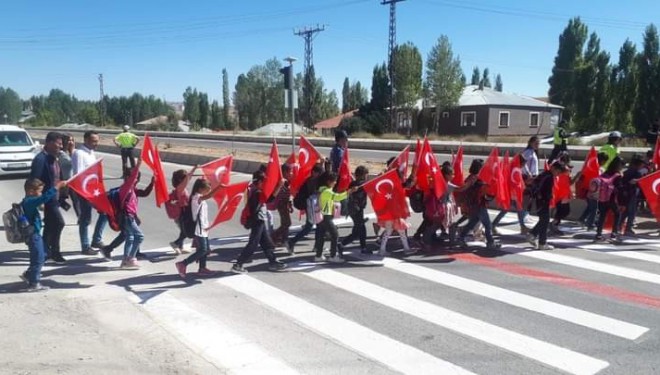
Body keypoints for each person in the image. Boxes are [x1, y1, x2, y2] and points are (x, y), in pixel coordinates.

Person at [231, 171, 287, 274]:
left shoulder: (252, 188)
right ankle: (238, 265)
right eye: (264, 181)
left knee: (266, 243)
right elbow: (269, 199)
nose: (266, 183)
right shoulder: (257, 192)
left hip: (259, 220)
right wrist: (279, 186)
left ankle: (273, 262)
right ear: (260, 181)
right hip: (257, 221)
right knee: (253, 244)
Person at [20, 178, 67, 292]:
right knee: (38, 258)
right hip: (33, 236)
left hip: (35, 235)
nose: (40, 193)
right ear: (31, 191)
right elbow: (44, 198)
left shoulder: (27, 200)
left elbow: (40, 201)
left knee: (45, 253)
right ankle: (34, 283)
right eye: (39, 191)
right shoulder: (29, 201)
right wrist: (56, 187)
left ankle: (29, 274)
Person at [175, 178, 226, 278]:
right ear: (200, 189)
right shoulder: (196, 198)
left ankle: (202, 268)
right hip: (199, 229)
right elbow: (209, 196)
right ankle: (183, 264)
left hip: (204, 228)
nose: (209, 190)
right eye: (207, 188)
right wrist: (219, 188)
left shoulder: (200, 197)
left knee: (205, 249)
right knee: (203, 249)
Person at [29, 131, 66, 263]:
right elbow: (34, 181)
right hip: (46, 199)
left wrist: (62, 195)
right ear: (49, 143)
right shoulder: (40, 159)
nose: (61, 146)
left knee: (50, 225)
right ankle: (55, 252)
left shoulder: (53, 157)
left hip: (54, 198)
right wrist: (38, 201)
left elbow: (58, 176)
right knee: (59, 223)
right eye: (58, 144)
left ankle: (44, 252)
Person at [456, 159, 501, 251]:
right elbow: (481, 191)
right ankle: (490, 242)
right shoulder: (477, 179)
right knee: (488, 225)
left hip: (472, 205)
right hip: (479, 205)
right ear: (479, 168)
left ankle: (461, 238)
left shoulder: (470, 177)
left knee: (472, 223)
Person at [313, 171, 357, 263]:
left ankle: (318, 256)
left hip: (321, 217)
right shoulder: (327, 191)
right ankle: (333, 256)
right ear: (329, 181)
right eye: (334, 181)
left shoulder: (322, 190)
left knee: (321, 236)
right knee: (335, 235)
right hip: (326, 217)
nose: (335, 182)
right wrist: (349, 192)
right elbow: (338, 197)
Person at [71, 130, 102, 255]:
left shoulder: (91, 153)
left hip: (94, 190)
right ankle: (85, 246)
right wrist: (85, 194)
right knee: (85, 218)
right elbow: (79, 174)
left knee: (105, 212)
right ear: (86, 140)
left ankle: (96, 239)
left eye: (97, 141)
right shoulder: (79, 153)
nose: (96, 144)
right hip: (84, 191)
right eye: (94, 141)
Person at [526, 161, 568, 250]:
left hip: (538, 201)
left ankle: (532, 235)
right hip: (543, 202)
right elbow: (547, 192)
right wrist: (550, 198)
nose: (558, 174)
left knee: (543, 220)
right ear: (554, 168)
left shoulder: (544, 174)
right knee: (545, 221)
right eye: (558, 172)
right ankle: (542, 242)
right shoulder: (549, 177)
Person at [287, 164, 323, 254]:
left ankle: (317, 246)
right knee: (311, 227)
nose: (320, 175)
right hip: (311, 207)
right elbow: (314, 194)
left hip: (311, 206)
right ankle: (292, 242)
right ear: (314, 172)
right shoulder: (312, 181)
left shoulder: (312, 179)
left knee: (316, 226)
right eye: (318, 173)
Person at [492, 154, 529, 235]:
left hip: (512, 194)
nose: (524, 166)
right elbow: (515, 183)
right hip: (513, 195)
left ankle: (522, 227)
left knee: (511, 210)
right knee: (518, 210)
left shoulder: (514, 168)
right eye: (524, 164)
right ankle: (522, 227)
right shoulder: (516, 170)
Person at [593, 156, 624, 243]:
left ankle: (598, 233)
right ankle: (614, 233)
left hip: (602, 198)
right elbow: (619, 188)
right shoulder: (617, 176)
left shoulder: (605, 173)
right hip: (612, 199)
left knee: (602, 216)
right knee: (617, 214)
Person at [340, 166, 369, 254]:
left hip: (358, 210)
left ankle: (363, 247)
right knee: (357, 231)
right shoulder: (355, 185)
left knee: (362, 229)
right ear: (361, 175)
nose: (366, 176)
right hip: (355, 210)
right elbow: (360, 187)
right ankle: (341, 244)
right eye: (365, 174)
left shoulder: (358, 183)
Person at [168, 166, 197, 254]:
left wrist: (193, 170)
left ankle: (180, 247)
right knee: (185, 231)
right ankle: (175, 243)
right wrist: (194, 169)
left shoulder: (181, 188)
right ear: (181, 180)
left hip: (182, 214)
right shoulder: (180, 189)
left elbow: (187, 179)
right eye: (184, 178)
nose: (187, 180)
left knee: (183, 231)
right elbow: (187, 180)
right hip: (181, 214)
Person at [578, 152, 609, 231]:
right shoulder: (597, 169)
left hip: (593, 191)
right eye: (605, 161)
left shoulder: (594, 168)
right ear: (602, 161)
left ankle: (581, 219)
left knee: (590, 207)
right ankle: (590, 224)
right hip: (594, 192)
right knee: (594, 209)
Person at [617, 155, 644, 236]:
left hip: (624, 194)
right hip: (632, 194)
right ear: (639, 164)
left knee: (625, 212)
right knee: (632, 212)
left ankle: (618, 227)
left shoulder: (626, 172)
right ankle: (628, 229)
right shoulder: (637, 173)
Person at [272, 164, 293, 247]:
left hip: (286, 204)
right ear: (284, 172)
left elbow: (289, 194)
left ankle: (284, 239)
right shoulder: (281, 182)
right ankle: (273, 236)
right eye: (290, 172)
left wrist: (290, 202)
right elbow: (279, 194)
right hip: (282, 204)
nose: (292, 174)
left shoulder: (287, 181)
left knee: (285, 223)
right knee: (287, 223)